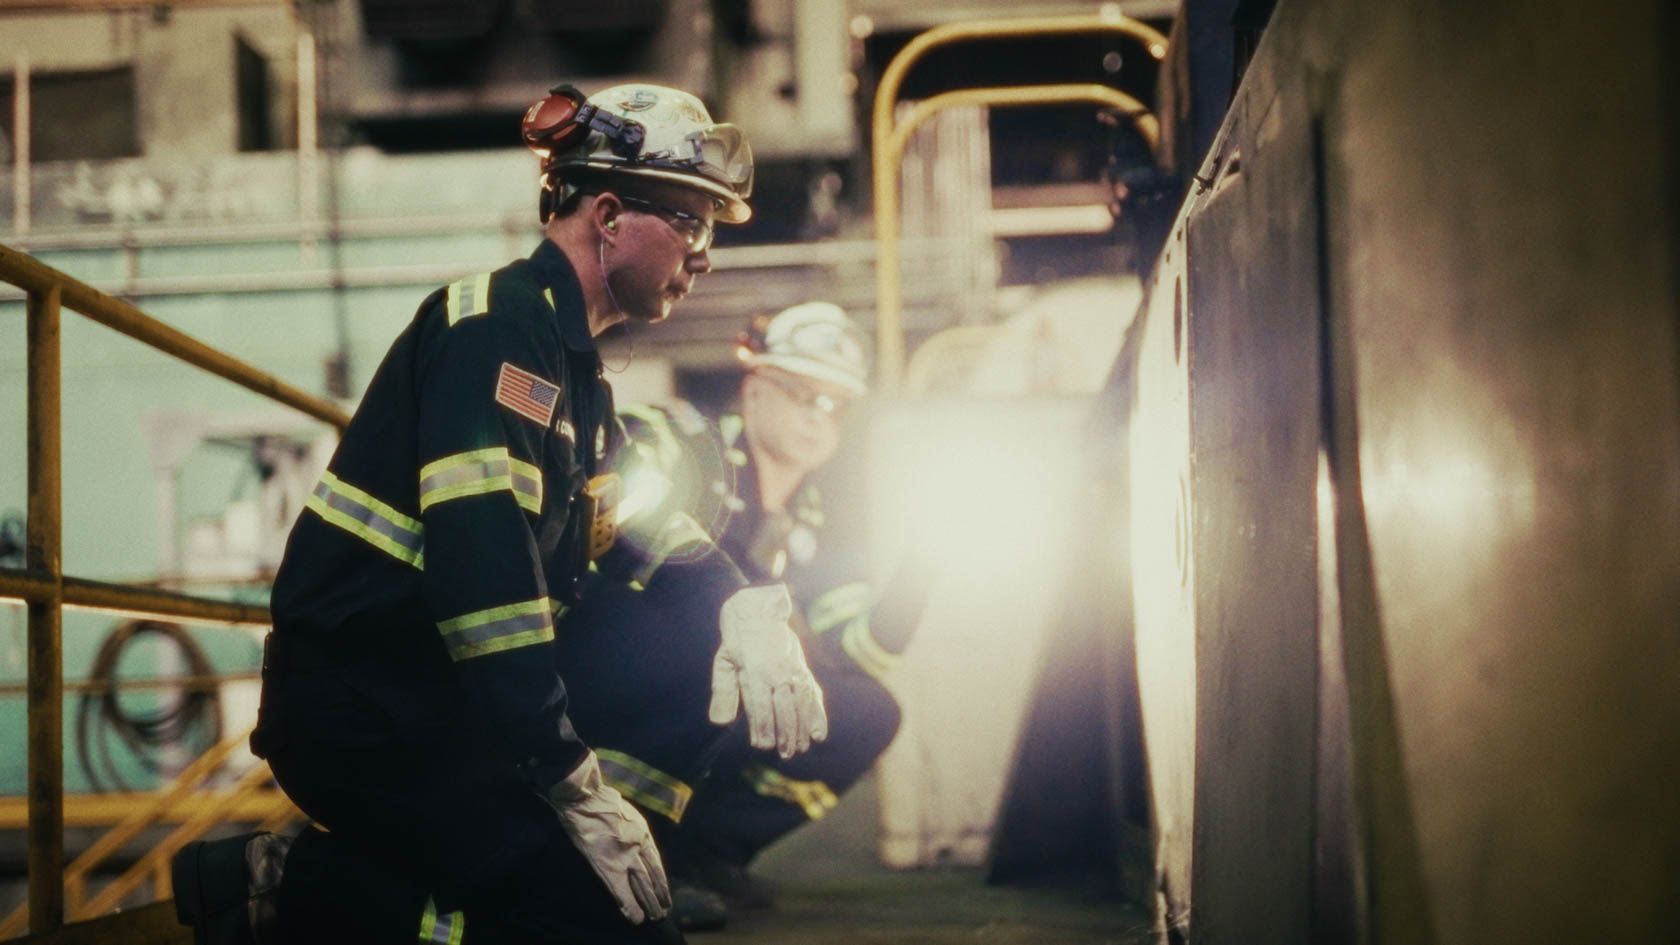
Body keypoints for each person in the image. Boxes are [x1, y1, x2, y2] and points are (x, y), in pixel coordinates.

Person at [171, 83, 826, 945]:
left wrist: (743, 602)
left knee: (697, 632)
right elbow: (487, 591)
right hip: (366, 712)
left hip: (443, 701)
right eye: (695, 223)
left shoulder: (573, 373)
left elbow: (639, 520)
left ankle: (605, 860)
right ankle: (293, 889)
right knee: (592, 929)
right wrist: (570, 781)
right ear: (610, 213)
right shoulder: (495, 333)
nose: (704, 253)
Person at [556, 302, 934, 928]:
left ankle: (703, 855)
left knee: (869, 710)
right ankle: (620, 857)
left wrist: (926, 564)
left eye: (836, 404)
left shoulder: (811, 524)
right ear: (755, 391)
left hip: (703, 690)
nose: (820, 415)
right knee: (706, 638)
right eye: (802, 393)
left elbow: (860, 652)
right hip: (601, 672)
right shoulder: (684, 440)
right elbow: (614, 480)